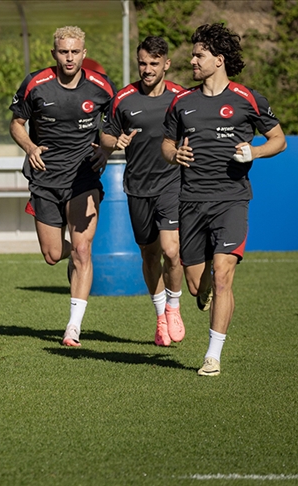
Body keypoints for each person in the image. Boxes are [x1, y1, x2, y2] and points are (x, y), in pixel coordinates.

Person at [162, 23, 286, 376]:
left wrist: (256, 152)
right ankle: (202, 293)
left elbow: (279, 139)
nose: (192, 60)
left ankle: (212, 356)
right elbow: (166, 144)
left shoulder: (248, 99)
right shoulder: (181, 101)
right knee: (195, 280)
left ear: (219, 60)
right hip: (190, 201)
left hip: (232, 200)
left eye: (198, 54)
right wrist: (175, 155)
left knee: (223, 273)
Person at [9, 26, 115, 347]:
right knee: (53, 254)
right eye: (63, 52)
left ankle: (73, 327)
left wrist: (106, 150)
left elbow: (112, 126)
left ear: (84, 53)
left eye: (75, 52)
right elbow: (16, 123)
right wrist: (30, 147)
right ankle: (74, 258)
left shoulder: (101, 87)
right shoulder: (35, 84)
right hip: (44, 178)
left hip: (83, 176)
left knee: (83, 249)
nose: (69, 58)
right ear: (54, 53)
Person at [101, 36, 186, 347]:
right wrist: (116, 142)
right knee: (149, 255)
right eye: (143, 63)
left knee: (171, 251)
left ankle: (174, 308)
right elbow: (105, 137)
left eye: (154, 63)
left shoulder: (181, 97)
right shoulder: (123, 98)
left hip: (172, 183)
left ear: (166, 64)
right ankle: (160, 317)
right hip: (137, 187)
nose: (147, 69)